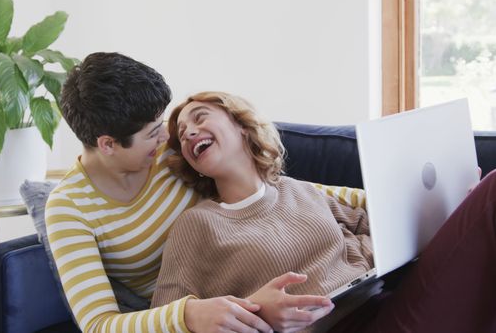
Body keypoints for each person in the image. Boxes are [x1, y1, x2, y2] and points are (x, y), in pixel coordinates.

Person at [152, 91, 496, 332]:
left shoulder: (301, 191)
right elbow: (167, 319)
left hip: (392, 306)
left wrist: (459, 211)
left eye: (199, 117)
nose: (187, 132)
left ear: (241, 125)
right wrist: (257, 313)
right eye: (181, 132)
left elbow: (390, 233)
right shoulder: (198, 225)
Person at [45, 52, 332, 333]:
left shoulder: (169, 154)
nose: (167, 136)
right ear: (108, 144)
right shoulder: (69, 207)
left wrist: (365, 199)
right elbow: (98, 324)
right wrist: (188, 315)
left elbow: (269, 188)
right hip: (200, 312)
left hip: (258, 273)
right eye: (152, 132)